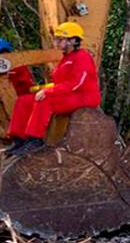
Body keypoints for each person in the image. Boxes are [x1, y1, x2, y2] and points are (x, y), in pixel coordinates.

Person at [6, 22, 101, 156]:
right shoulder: (66, 58)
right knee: (24, 100)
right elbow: (59, 82)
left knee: (46, 100)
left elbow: (77, 83)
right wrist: (44, 88)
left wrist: (48, 91)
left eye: (60, 39)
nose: (56, 42)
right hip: (66, 94)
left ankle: (35, 139)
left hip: (83, 96)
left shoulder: (83, 57)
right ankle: (19, 139)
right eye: (56, 38)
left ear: (73, 40)